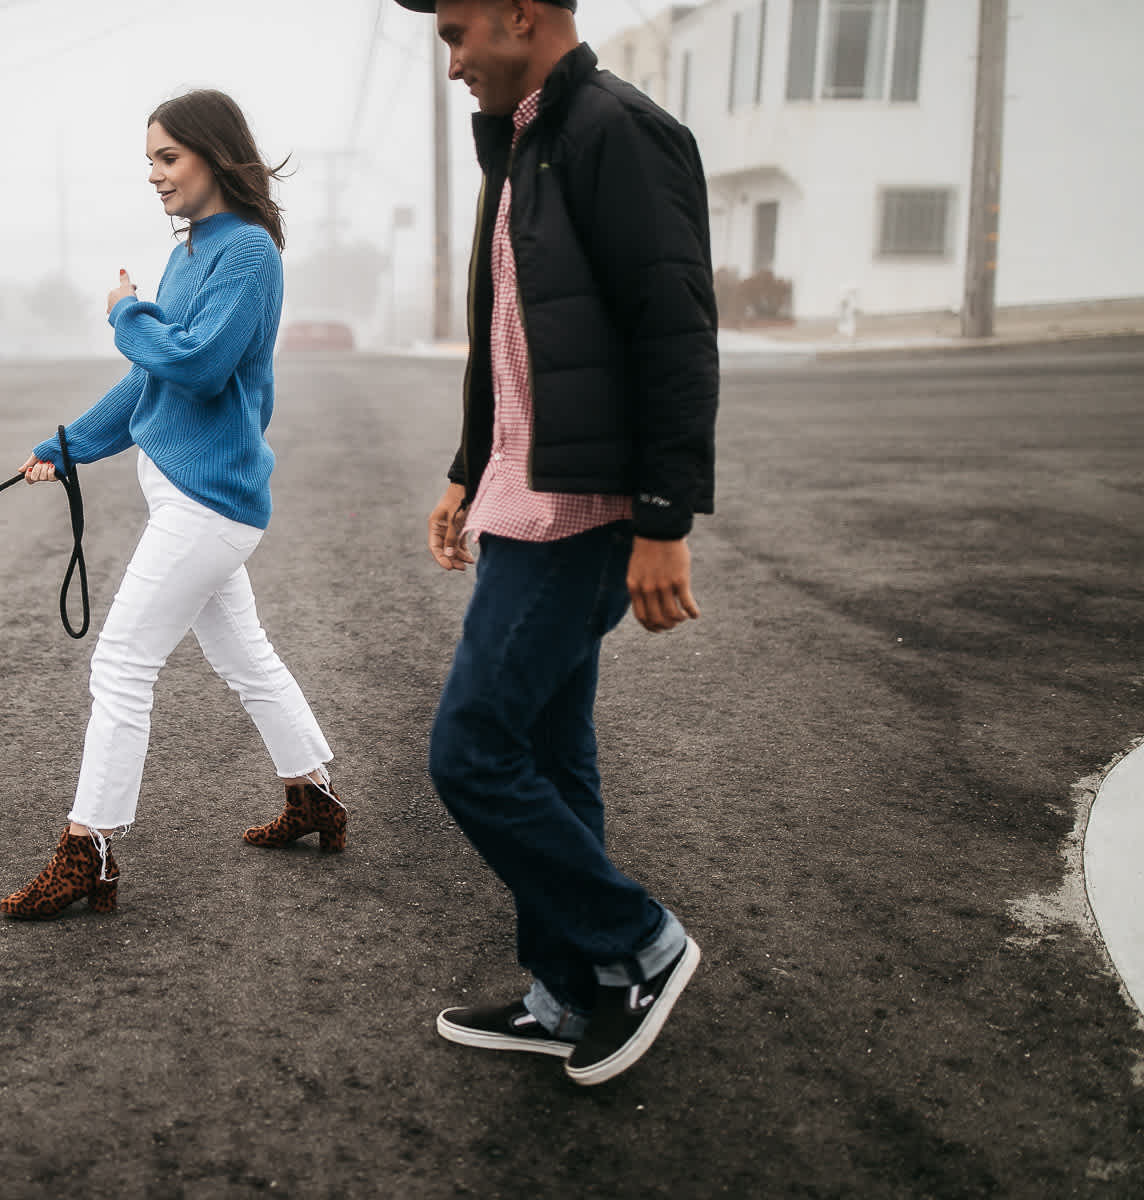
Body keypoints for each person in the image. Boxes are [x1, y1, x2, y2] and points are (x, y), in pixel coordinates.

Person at [394, 0, 719, 1086]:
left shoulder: (616, 131)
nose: (449, 64)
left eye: (455, 35)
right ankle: (572, 990)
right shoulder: (529, 139)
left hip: (582, 513)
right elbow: (513, 340)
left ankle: (639, 943)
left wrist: (664, 518)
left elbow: (673, 324)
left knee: (472, 751)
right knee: (542, 752)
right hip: (525, 497)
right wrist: (466, 467)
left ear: (518, 16)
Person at [0, 89, 343, 920]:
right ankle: (314, 800)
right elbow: (151, 378)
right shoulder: (191, 251)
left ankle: (90, 851)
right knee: (245, 656)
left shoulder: (249, 255)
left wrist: (126, 314)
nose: (154, 177)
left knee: (122, 663)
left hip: (210, 504)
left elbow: (194, 364)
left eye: (167, 158)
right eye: (149, 162)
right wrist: (65, 444)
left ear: (214, 156)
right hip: (184, 495)